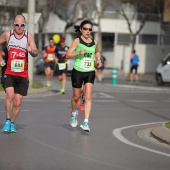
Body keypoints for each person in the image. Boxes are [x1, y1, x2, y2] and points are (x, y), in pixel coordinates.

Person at [0, 14, 38, 133]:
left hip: (22, 74)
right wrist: (0, 59)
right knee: (9, 95)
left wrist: (31, 51)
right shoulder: (8, 35)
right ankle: (7, 120)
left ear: (24, 25)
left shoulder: (29, 36)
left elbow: (36, 52)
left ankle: (12, 122)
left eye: (22, 25)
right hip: (9, 72)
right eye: (17, 25)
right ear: (13, 25)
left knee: (17, 102)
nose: (19, 27)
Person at [66, 20, 102, 132]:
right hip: (78, 71)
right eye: (85, 29)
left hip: (90, 71)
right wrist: (78, 53)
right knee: (76, 97)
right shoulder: (77, 41)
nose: (88, 31)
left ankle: (86, 121)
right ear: (81, 29)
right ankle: (73, 113)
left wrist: (98, 60)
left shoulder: (94, 42)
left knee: (88, 97)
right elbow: (68, 55)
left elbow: (97, 52)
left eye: (90, 29)